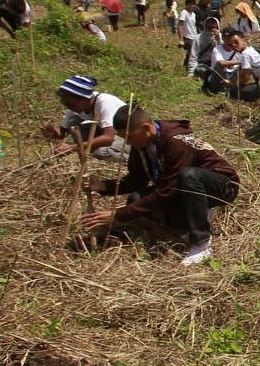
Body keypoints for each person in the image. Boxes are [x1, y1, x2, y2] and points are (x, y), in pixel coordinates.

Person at [79, 104, 239, 267]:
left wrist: (119, 214)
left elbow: (168, 190)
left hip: (220, 186)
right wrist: (103, 186)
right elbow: (137, 180)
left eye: (130, 137)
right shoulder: (141, 145)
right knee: (136, 199)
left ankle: (200, 243)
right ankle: (190, 218)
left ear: (146, 128)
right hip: (178, 187)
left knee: (188, 176)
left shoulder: (175, 141)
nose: (128, 142)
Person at [41, 76, 128, 161]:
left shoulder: (105, 103)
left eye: (70, 104)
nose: (69, 108)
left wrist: (73, 147)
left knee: (100, 152)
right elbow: (62, 134)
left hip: (127, 137)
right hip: (110, 135)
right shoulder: (74, 108)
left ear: (84, 99)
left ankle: (131, 158)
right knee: (74, 121)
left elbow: (108, 138)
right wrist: (53, 133)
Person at [207, 30, 260, 101]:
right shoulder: (250, 50)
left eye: (236, 42)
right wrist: (232, 82)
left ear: (244, 40)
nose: (234, 45)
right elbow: (243, 74)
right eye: (231, 45)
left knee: (234, 92)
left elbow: (244, 77)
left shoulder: (245, 54)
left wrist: (231, 83)